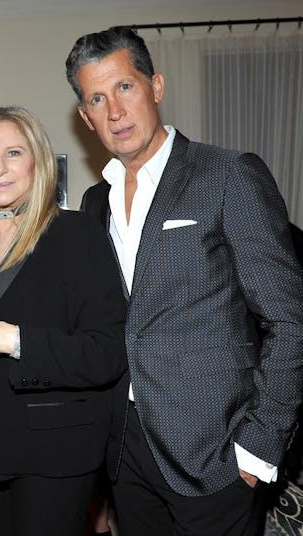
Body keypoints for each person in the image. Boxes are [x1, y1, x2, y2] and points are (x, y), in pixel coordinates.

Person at [67, 26, 303, 535]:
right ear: (86, 118)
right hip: (126, 458)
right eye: (97, 99)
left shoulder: (227, 174)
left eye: (125, 88)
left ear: (156, 86)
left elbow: (290, 320)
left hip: (217, 458)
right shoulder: (92, 204)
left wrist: (257, 450)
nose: (115, 111)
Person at [0, 106, 127, 536]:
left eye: (13, 153)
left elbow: (107, 353)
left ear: (37, 161)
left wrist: (17, 341)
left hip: (53, 455)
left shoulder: (75, 234)